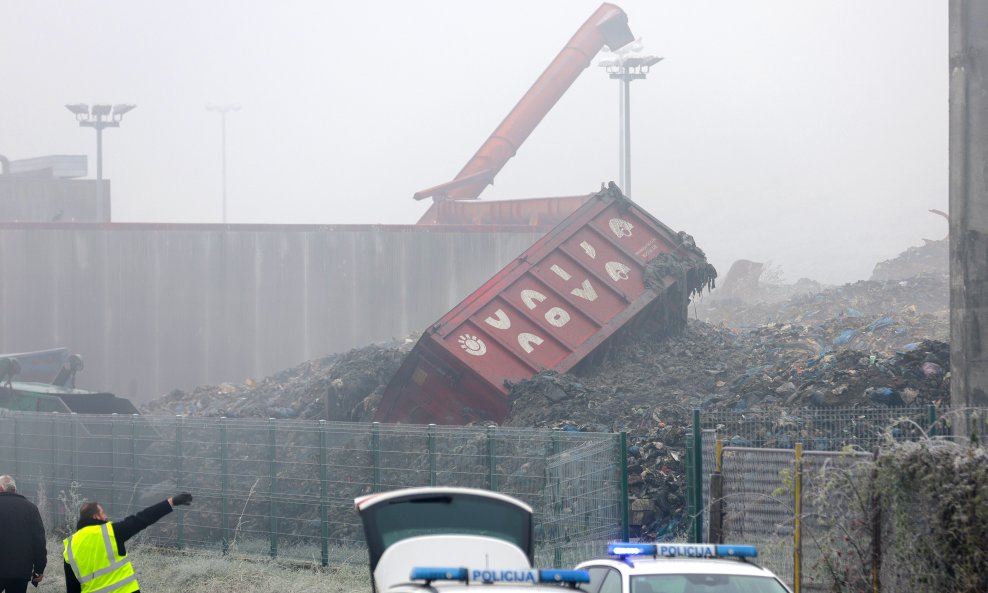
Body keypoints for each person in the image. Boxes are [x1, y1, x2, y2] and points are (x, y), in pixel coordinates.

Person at [63, 492, 193, 593]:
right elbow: (143, 518)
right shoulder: (110, 532)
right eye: (103, 513)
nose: (106, 517)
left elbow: (72, 588)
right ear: (96, 517)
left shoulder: (69, 547)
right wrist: (171, 502)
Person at [0, 475, 47, 593]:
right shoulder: (31, 508)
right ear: (14, 490)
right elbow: (39, 541)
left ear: (0, 488)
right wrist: (39, 569)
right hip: (20, 571)